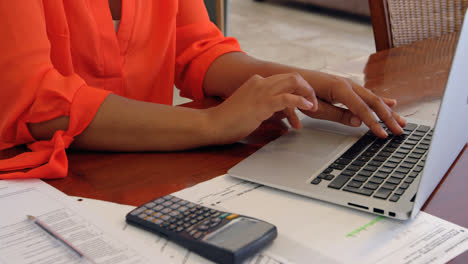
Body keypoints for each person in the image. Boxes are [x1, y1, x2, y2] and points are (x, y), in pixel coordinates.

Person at [0, 0, 405, 179]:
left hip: (143, 172)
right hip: (36, 194)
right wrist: (212, 124)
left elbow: (200, 50)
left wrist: (306, 82)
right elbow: (38, 102)